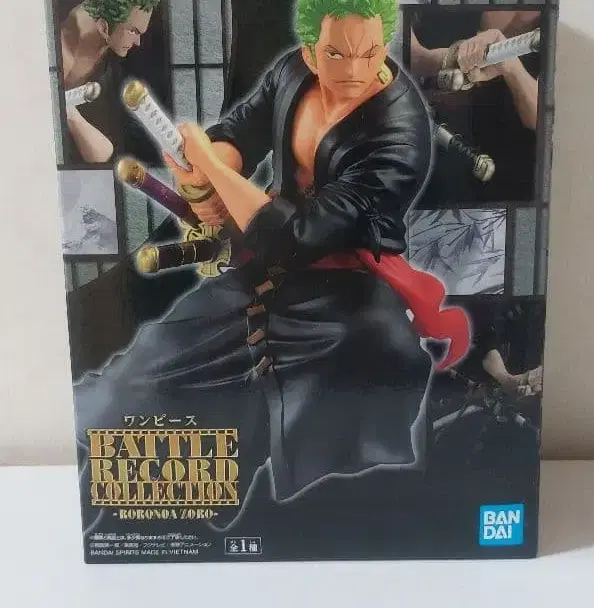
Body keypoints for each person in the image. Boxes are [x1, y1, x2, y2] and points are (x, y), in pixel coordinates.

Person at [75, 0, 469, 530]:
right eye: (336, 53)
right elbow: (240, 132)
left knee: (356, 378)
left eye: (370, 52)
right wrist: (206, 174)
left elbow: (300, 234)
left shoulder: (401, 130)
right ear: (309, 50)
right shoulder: (292, 74)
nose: (355, 69)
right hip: (263, 268)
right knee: (139, 374)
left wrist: (212, 168)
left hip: (348, 295)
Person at [410, 10, 540, 203]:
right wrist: (427, 59)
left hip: (486, 162)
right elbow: (388, 19)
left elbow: (548, 119)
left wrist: (512, 67)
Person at [60, 0, 159, 163]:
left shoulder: (111, 75)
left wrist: (71, 114)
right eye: (133, 31)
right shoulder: (55, 33)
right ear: (103, 28)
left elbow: (103, 154)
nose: (138, 42)